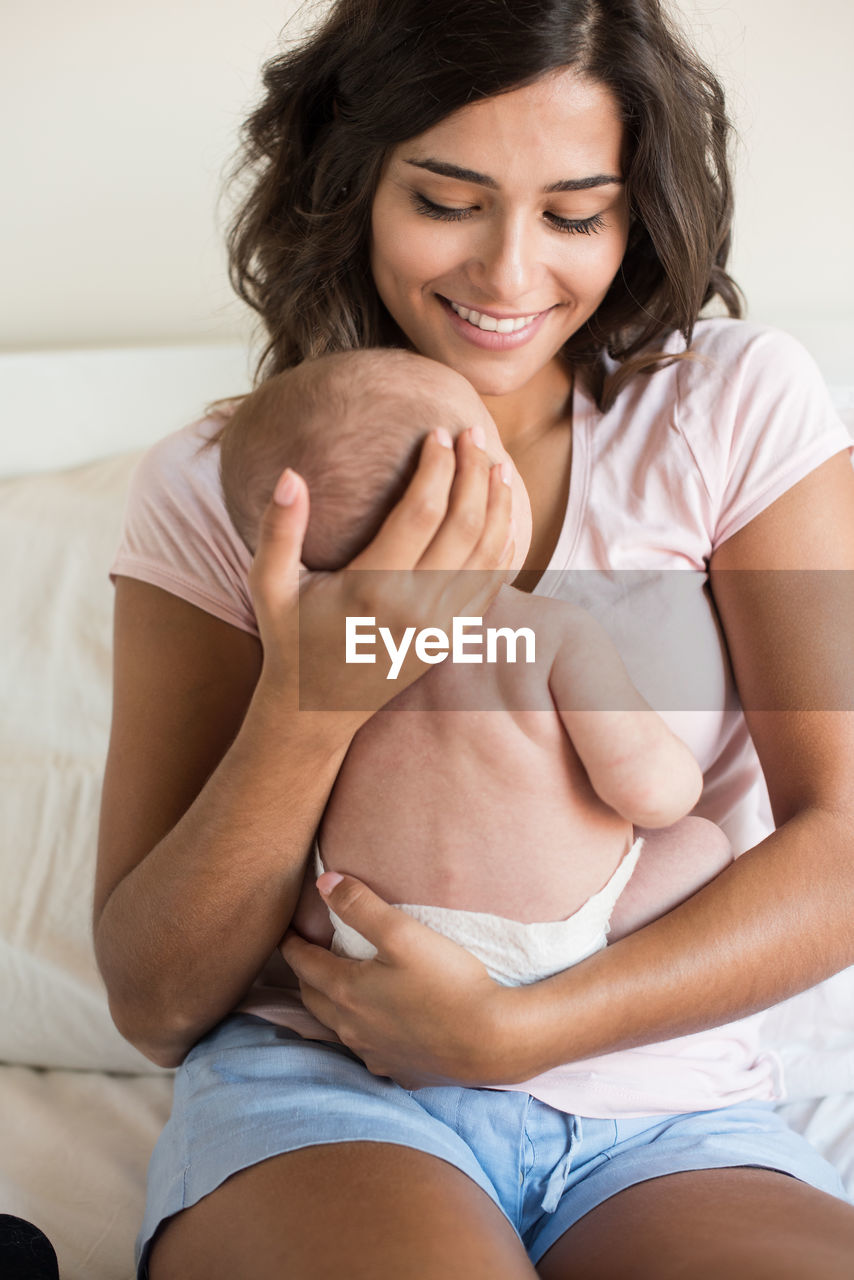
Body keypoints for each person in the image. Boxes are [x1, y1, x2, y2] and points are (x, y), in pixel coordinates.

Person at [95, 1, 854, 1276]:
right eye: (446, 201)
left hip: (664, 1110)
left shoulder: (729, 406)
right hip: (327, 1087)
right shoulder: (228, 484)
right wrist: (313, 696)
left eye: (573, 214)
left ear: (638, 210)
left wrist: (515, 1031)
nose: (509, 277)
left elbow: (841, 841)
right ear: (348, 184)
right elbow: (156, 998)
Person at [217, 346, 733, 1021]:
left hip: (365, 936)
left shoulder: (324, 660)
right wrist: (676, 782)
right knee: (707, 843)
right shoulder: (551, 634)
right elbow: (652, 793)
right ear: (476, 493)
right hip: (555, 944)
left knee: (307, 886)